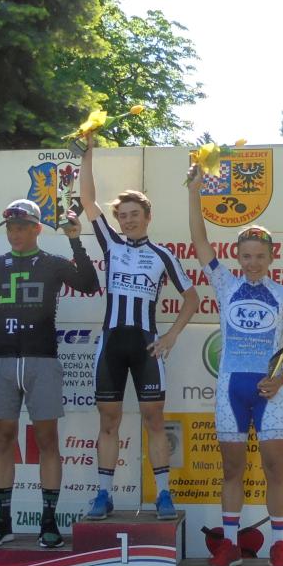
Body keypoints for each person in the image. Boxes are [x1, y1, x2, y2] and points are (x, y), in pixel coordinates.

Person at [0, 198, 99, 548]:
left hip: (42, 361)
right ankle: (3, 519)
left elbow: (89, 284)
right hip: (2, 360)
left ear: (36, 229)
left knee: (47, 440)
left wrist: (76, 241)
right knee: (2, 438)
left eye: (22, 227)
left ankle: (48, 521)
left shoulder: (53, 263)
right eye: (11, 228)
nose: (15, 234)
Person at [186, 165, 283, 566]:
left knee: (275, 469)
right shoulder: (225, 284)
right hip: (230, 392)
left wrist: (279, 380)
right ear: (237, 257)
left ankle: (279, 547)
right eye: (246, 256)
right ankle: (230, 545)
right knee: (232, 470)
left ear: (272, 258)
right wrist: (195, 192)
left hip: (269, 393)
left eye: (260, 256)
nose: (253, 263)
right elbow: (200, 241)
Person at [79, 143, 199, 521]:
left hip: (147, 346)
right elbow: (88, 200)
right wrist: (86, 154)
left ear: (148, 216)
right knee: (108, 421)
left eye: (134, 215)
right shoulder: (111, 244)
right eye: (123, 216)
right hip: (112, 345)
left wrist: (171, 336)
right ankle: (103, 494)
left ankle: (163, 495)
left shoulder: (163, 255)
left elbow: (192, 298)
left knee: (154, 420)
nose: (128, 220)